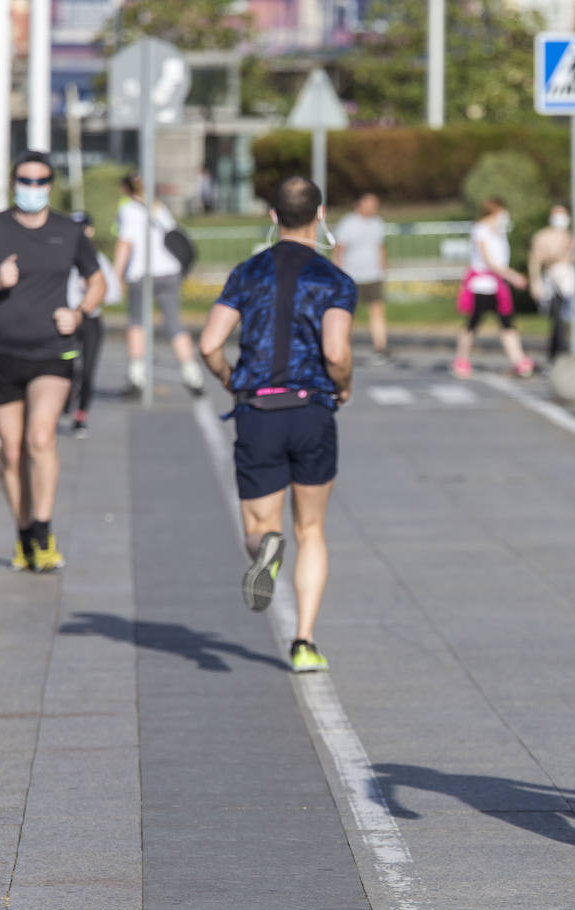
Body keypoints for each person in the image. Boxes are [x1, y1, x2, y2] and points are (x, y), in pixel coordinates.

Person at [197, 176, 354, 674]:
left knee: (260, 528)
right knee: (311, 529)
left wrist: (228, 380)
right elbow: (335, 351)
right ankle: (304, 641)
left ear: (273, 217)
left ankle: (264, 551)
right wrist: (343, 385)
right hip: (311, 409)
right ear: (320, 215)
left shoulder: (247, 273)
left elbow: (208, 344)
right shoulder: (333, 280)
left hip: (258, 411)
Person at [0, 150, 106, 572]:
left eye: (42, 182)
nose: (34, 188)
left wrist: (77, 313)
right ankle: (23, 535)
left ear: (51, 186)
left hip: (51, 352)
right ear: (13, 182)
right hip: (2, 351)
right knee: (11, 451)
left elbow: (98, 280)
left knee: (40, 438)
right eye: (26, 180)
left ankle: (43, 529)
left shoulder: (68, 231)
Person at [112, 172, 205, 397]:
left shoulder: (128, 210)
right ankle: (192, 375)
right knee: (174, 323)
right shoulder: (158, 207)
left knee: (136, 323)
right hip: (168, 270)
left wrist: (116, 275)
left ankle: (137, 376)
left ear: (127, 189)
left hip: (141, 272)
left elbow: (125, 243)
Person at [452, 197, 533, 380]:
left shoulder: (499, 232)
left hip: (498, 284)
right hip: (482, 284)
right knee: (473, 322)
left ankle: (518, 359)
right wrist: (513, 276)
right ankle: (461, 358)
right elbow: (489, 261)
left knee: (507, 323)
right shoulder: (480, 230)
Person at [66, 211, 122, 438]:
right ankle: (64, 401)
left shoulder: (98, 260)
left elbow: (114, 293)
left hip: (90, 320)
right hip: (66, 321)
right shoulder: (61, 256)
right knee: (67, 367)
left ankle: (81, 416)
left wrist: (92, 291)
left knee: (88, 370)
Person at [333, 192, 390, 364]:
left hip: (372, 274)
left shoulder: (377, 223)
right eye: (370, 203)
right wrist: (338, 273)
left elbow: (381, 247)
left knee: (377, 310)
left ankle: (381, 347)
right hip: (352, 274)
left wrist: (383, 268)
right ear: (359, 204)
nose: (374, 207)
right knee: (349, 314)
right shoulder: (348, 223)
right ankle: (341, 346)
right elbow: (339, 250)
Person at [528, 204, 575, 362]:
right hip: (551, 279)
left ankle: (564, 352)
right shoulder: (542, 236)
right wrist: (535, 282)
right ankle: (556, 354)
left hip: (569, 279)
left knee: (568, 318)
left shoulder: (571, 236)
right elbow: (536, 260)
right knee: (556, 318)